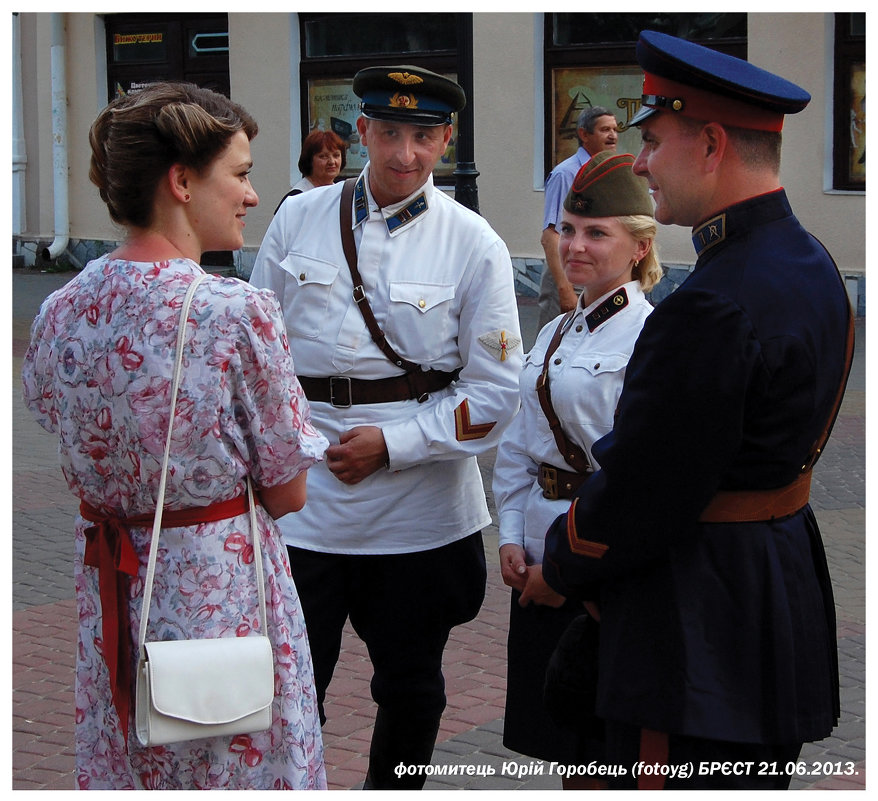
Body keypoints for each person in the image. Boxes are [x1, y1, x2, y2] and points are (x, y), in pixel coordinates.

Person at [541, 30, 852, 789]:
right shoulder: (811, 262)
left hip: (696, 620)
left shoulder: (711, 303)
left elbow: (646, 489)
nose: (640, 162)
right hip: (770, 581)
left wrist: (562, 555)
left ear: (711, 144)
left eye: (653, 141)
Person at [21, 82, 329, 790]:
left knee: (132, 759)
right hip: (218, 596)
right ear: (182, 181)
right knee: (228, 758)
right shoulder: (235, 311)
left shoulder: (63, 306)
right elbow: (288, 490)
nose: (252, 196)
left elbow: (49, 411)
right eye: (242, 174)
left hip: (113, 595)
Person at [250, 64, 523, 790]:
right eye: (391, 133)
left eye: (424, 136)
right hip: (302, 507)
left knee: (410, 687)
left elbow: (496, 391)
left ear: (445, 139)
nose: (406, 153)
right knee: (286, 687)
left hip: (417, 517)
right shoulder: (298, 218)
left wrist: (396, 445)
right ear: (362, 130)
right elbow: (255, 347)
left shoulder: (474, 244)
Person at [493, 151, 659, 788]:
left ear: (639, 249)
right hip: (538, 551)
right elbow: (519, 446)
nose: (575, 246)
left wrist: (565, 570)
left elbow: (637, 476)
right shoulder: (559, 330)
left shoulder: (650, 336)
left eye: (597, 233)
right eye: (566, 230)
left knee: (604, 750)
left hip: (597, 565)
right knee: (564, 745)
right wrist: (510, 535)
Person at [538, 106, 619, 329]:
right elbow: (550, 236)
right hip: (567, 275)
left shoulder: (608, 172)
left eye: (614, 129)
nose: (613, 136)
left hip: (594, 275)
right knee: (554, 346)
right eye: (605, 130)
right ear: (584, 135)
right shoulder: (566, 174)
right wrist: (564, 289)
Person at [273, 128, 346, 213]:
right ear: (309, 160)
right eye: (323, 156)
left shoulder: (342, 195)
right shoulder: (296, 199)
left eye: (336, 155)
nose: (332, 162)